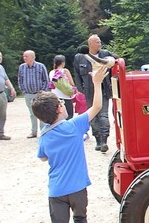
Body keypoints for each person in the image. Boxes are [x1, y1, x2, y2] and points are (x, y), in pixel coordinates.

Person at [33, 66, 108, 223]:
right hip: (77, 188)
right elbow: (97, 107)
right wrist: (96, 82)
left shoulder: (44, 135)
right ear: (60, 108)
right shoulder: (74, 126)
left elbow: (43, 158)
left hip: (56, 190)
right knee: (80, 218)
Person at [74, 34, 118, 152]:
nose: (100, 44)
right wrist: (80, 89)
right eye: (97, 42)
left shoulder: (105, 54)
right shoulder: (80, 57)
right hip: (89, 91)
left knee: (103, 115)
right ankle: (98, 139)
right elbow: (77, 74)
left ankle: (104, 141)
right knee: (93, 117)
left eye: (99, 42)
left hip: (103, 89)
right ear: (90, 44)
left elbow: (117, 61)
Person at [18, 50, 50, 138]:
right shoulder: (22, 67)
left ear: (32, 57)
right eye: (23, 56)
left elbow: (46, 80)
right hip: (28, 94)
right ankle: (33, 132)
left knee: (41, 112)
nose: (24, 58)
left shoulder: (40, 66)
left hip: (39, 94)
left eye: (26, 56)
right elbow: (20, 80)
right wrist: (23, 91)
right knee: (32, 114)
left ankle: (43, 131)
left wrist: (43, 91)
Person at [49, 55, 76, 120]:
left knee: (58, 115)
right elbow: (72, 83)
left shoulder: (51, 72)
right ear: (63, 63)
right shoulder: (65, 71)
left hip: (55, 96)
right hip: (65, 96)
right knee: (69, 115)